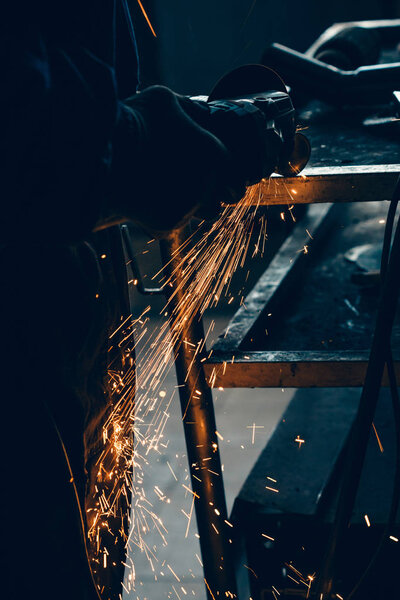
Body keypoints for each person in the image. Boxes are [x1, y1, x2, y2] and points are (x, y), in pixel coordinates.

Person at [0, 2, 268, 598]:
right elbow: (20, 121)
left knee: (85, 545)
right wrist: (140, 142)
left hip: (66, 285)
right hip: (19, 332)